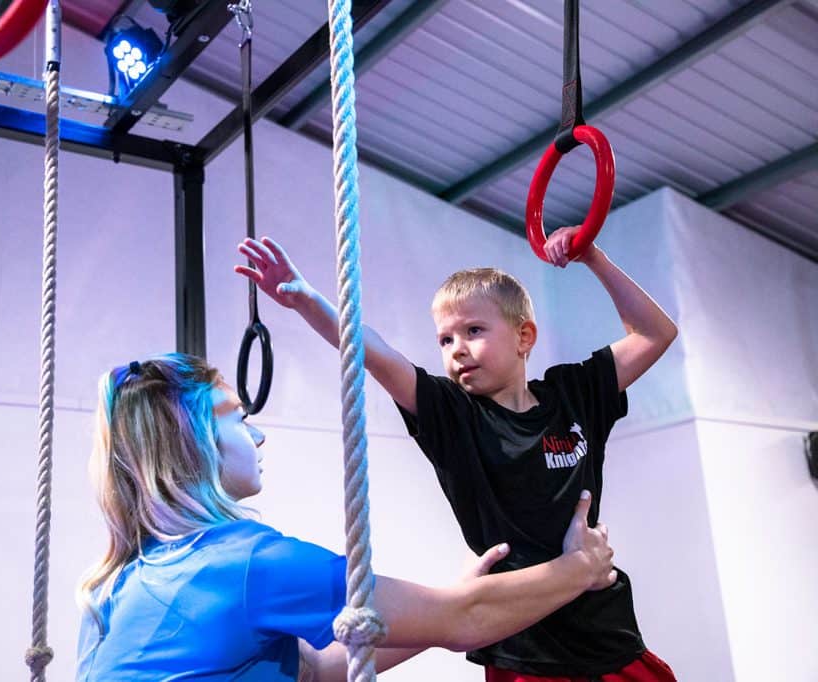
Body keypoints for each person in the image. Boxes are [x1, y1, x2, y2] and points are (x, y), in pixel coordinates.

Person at [235, 230, 678, 681]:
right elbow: (377, 353)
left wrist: (592, 257)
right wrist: (308, 301)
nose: (457, 349)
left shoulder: (574, 394)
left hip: (609, 633)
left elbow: (656, 333)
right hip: (523, 647)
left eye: (474, 331)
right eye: (445, 340)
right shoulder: (454, 416)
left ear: (525, 336)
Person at [75, 353, 618, 681]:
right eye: (239, 418)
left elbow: (312, 672)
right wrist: (580, 568)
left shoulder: (114, 584)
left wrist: (433, 614)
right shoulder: (250, 564)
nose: (258, 435)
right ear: (194, 441)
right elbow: (466, 620)